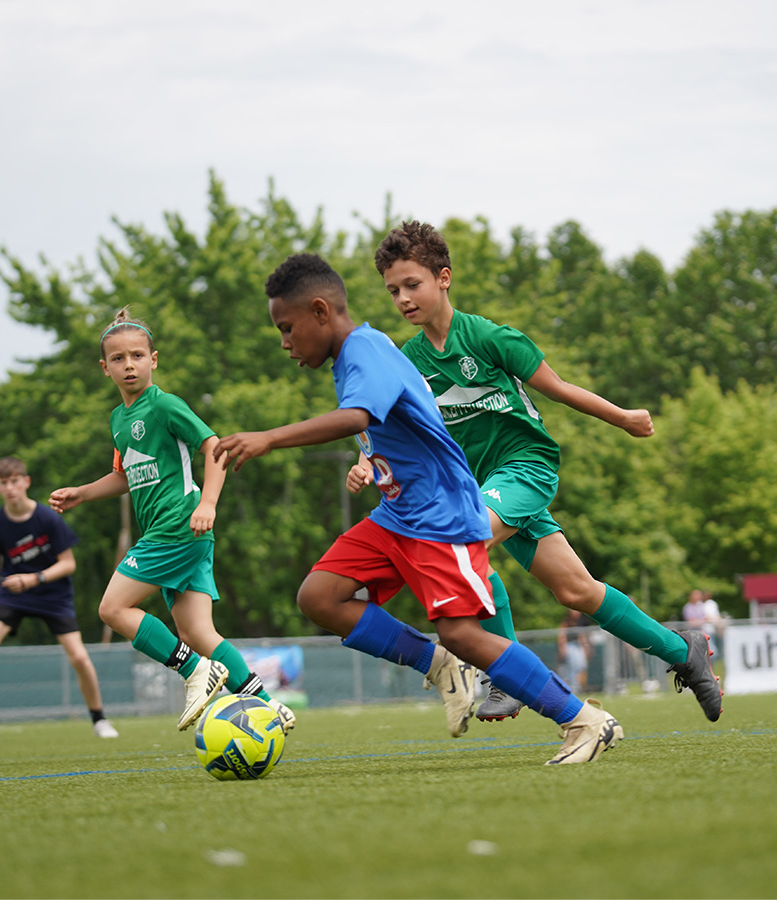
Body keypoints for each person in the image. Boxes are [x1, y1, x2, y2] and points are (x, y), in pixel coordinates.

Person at [213, 252, 622, 765]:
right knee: (320, 597)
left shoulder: (365, 349)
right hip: (397, 514)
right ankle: (439, 664)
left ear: (320, 311)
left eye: (287, 328)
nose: (284, 342)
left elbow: (356, 416)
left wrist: (269, 437)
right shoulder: (354, 356)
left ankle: (583, 720)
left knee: (463, 632)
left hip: (439, 515)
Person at [361, 221, 722, 723]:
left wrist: (623, 417)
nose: (402, 298)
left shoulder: (489, 337)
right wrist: (365, 462)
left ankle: (506, 674)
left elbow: (560, 388)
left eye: (411, 284)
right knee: (577, 591)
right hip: (480, 490)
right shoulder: (409, 361)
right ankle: (685, 651)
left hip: (525, 468)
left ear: (443, 278)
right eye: (393, 290)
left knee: (464, 541)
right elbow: (385, 426)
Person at [49, 309, 294, 733]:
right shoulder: (118, 419)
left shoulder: (164, 405)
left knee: (112, 608)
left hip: (177, 527)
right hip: (183, 534)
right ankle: (270, 705)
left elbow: (215, 448)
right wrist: (82, 493)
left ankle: (195, 671)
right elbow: (125, 475)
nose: (129, 365)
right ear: (105, 368)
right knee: (198, 632)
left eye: (137, 356)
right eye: (119, 358)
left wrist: (208, 504)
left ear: (154, 360)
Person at [0, 457, 118, 741]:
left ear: (26, 482)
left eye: (15, 481)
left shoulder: (48, 518)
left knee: (79, 657)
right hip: (12, 594)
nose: (10, 487)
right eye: (4, 483)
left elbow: (68, 564)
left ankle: (100, 720)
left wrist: (34, 579)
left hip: (52, 594)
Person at [557, 609, 593, 692]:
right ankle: (572, 687)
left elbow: (584, 638)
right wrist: (562, 648)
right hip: (569, 646)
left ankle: (578, 687)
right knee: (569, 668)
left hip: (579, 647)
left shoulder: (583, 622)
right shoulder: (566, 622)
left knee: (581, 666)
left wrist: (586, 647)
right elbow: (562, 636)